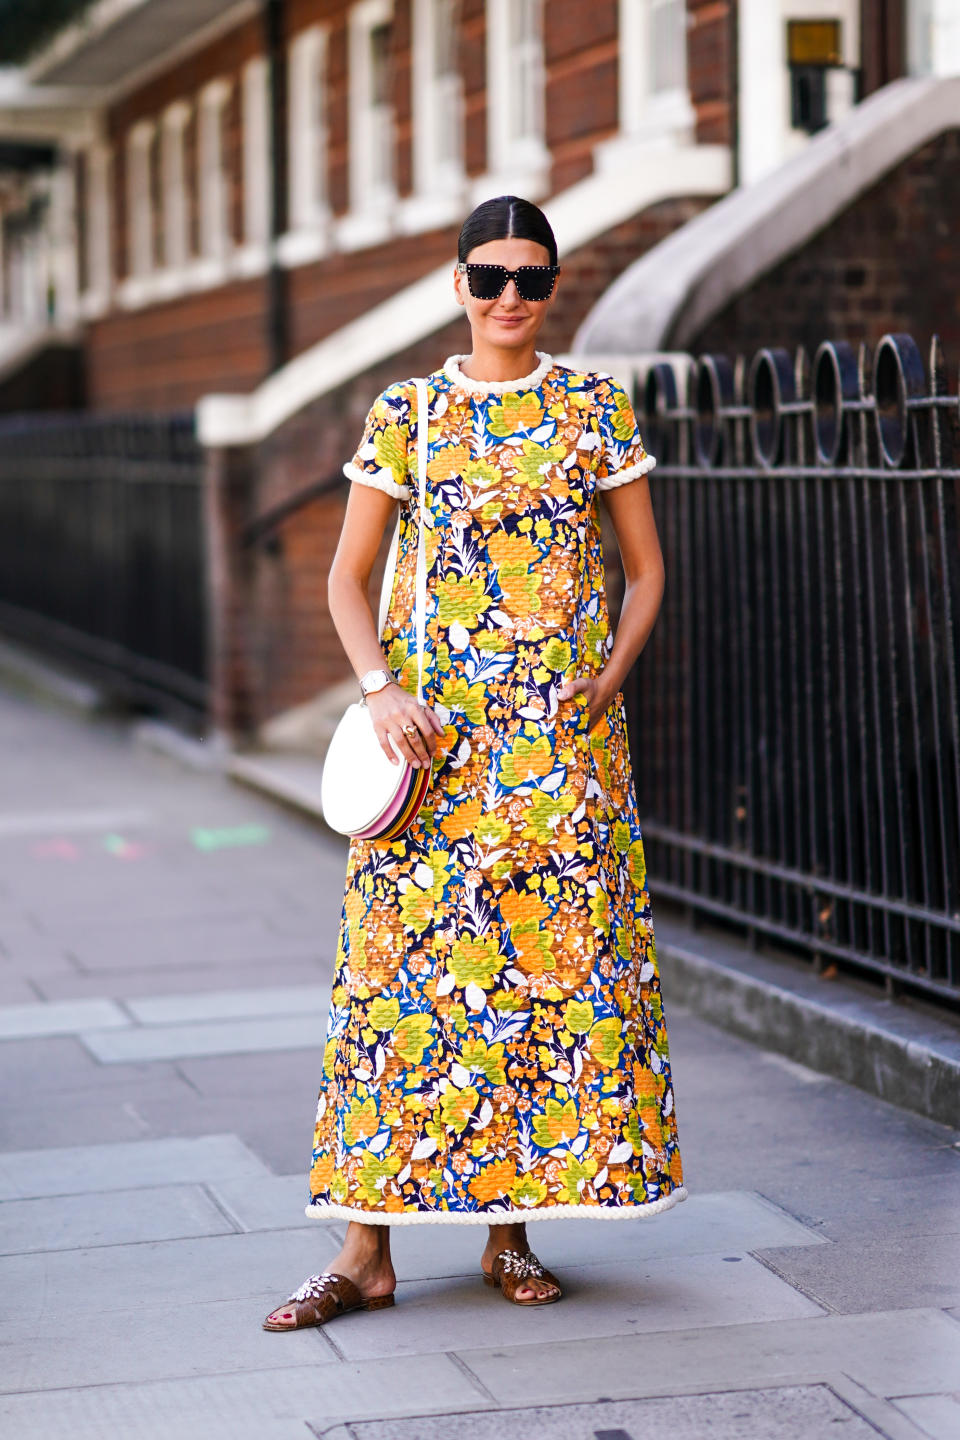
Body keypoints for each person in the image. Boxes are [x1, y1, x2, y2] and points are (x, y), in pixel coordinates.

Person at [263, 195, 686, 1330]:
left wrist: (611, 678)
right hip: (434, 753)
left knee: (540, 992)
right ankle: (365, 1254)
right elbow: (349, 577)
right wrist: (378, 688)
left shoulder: (593, 407)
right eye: (490, 276)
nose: (510, 296)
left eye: (533, 279)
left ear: (555, 291)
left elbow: (644, 569)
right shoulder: (407, 412)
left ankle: (511, 1238)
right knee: (398, 990)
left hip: (562, 755)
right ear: (458, 285)